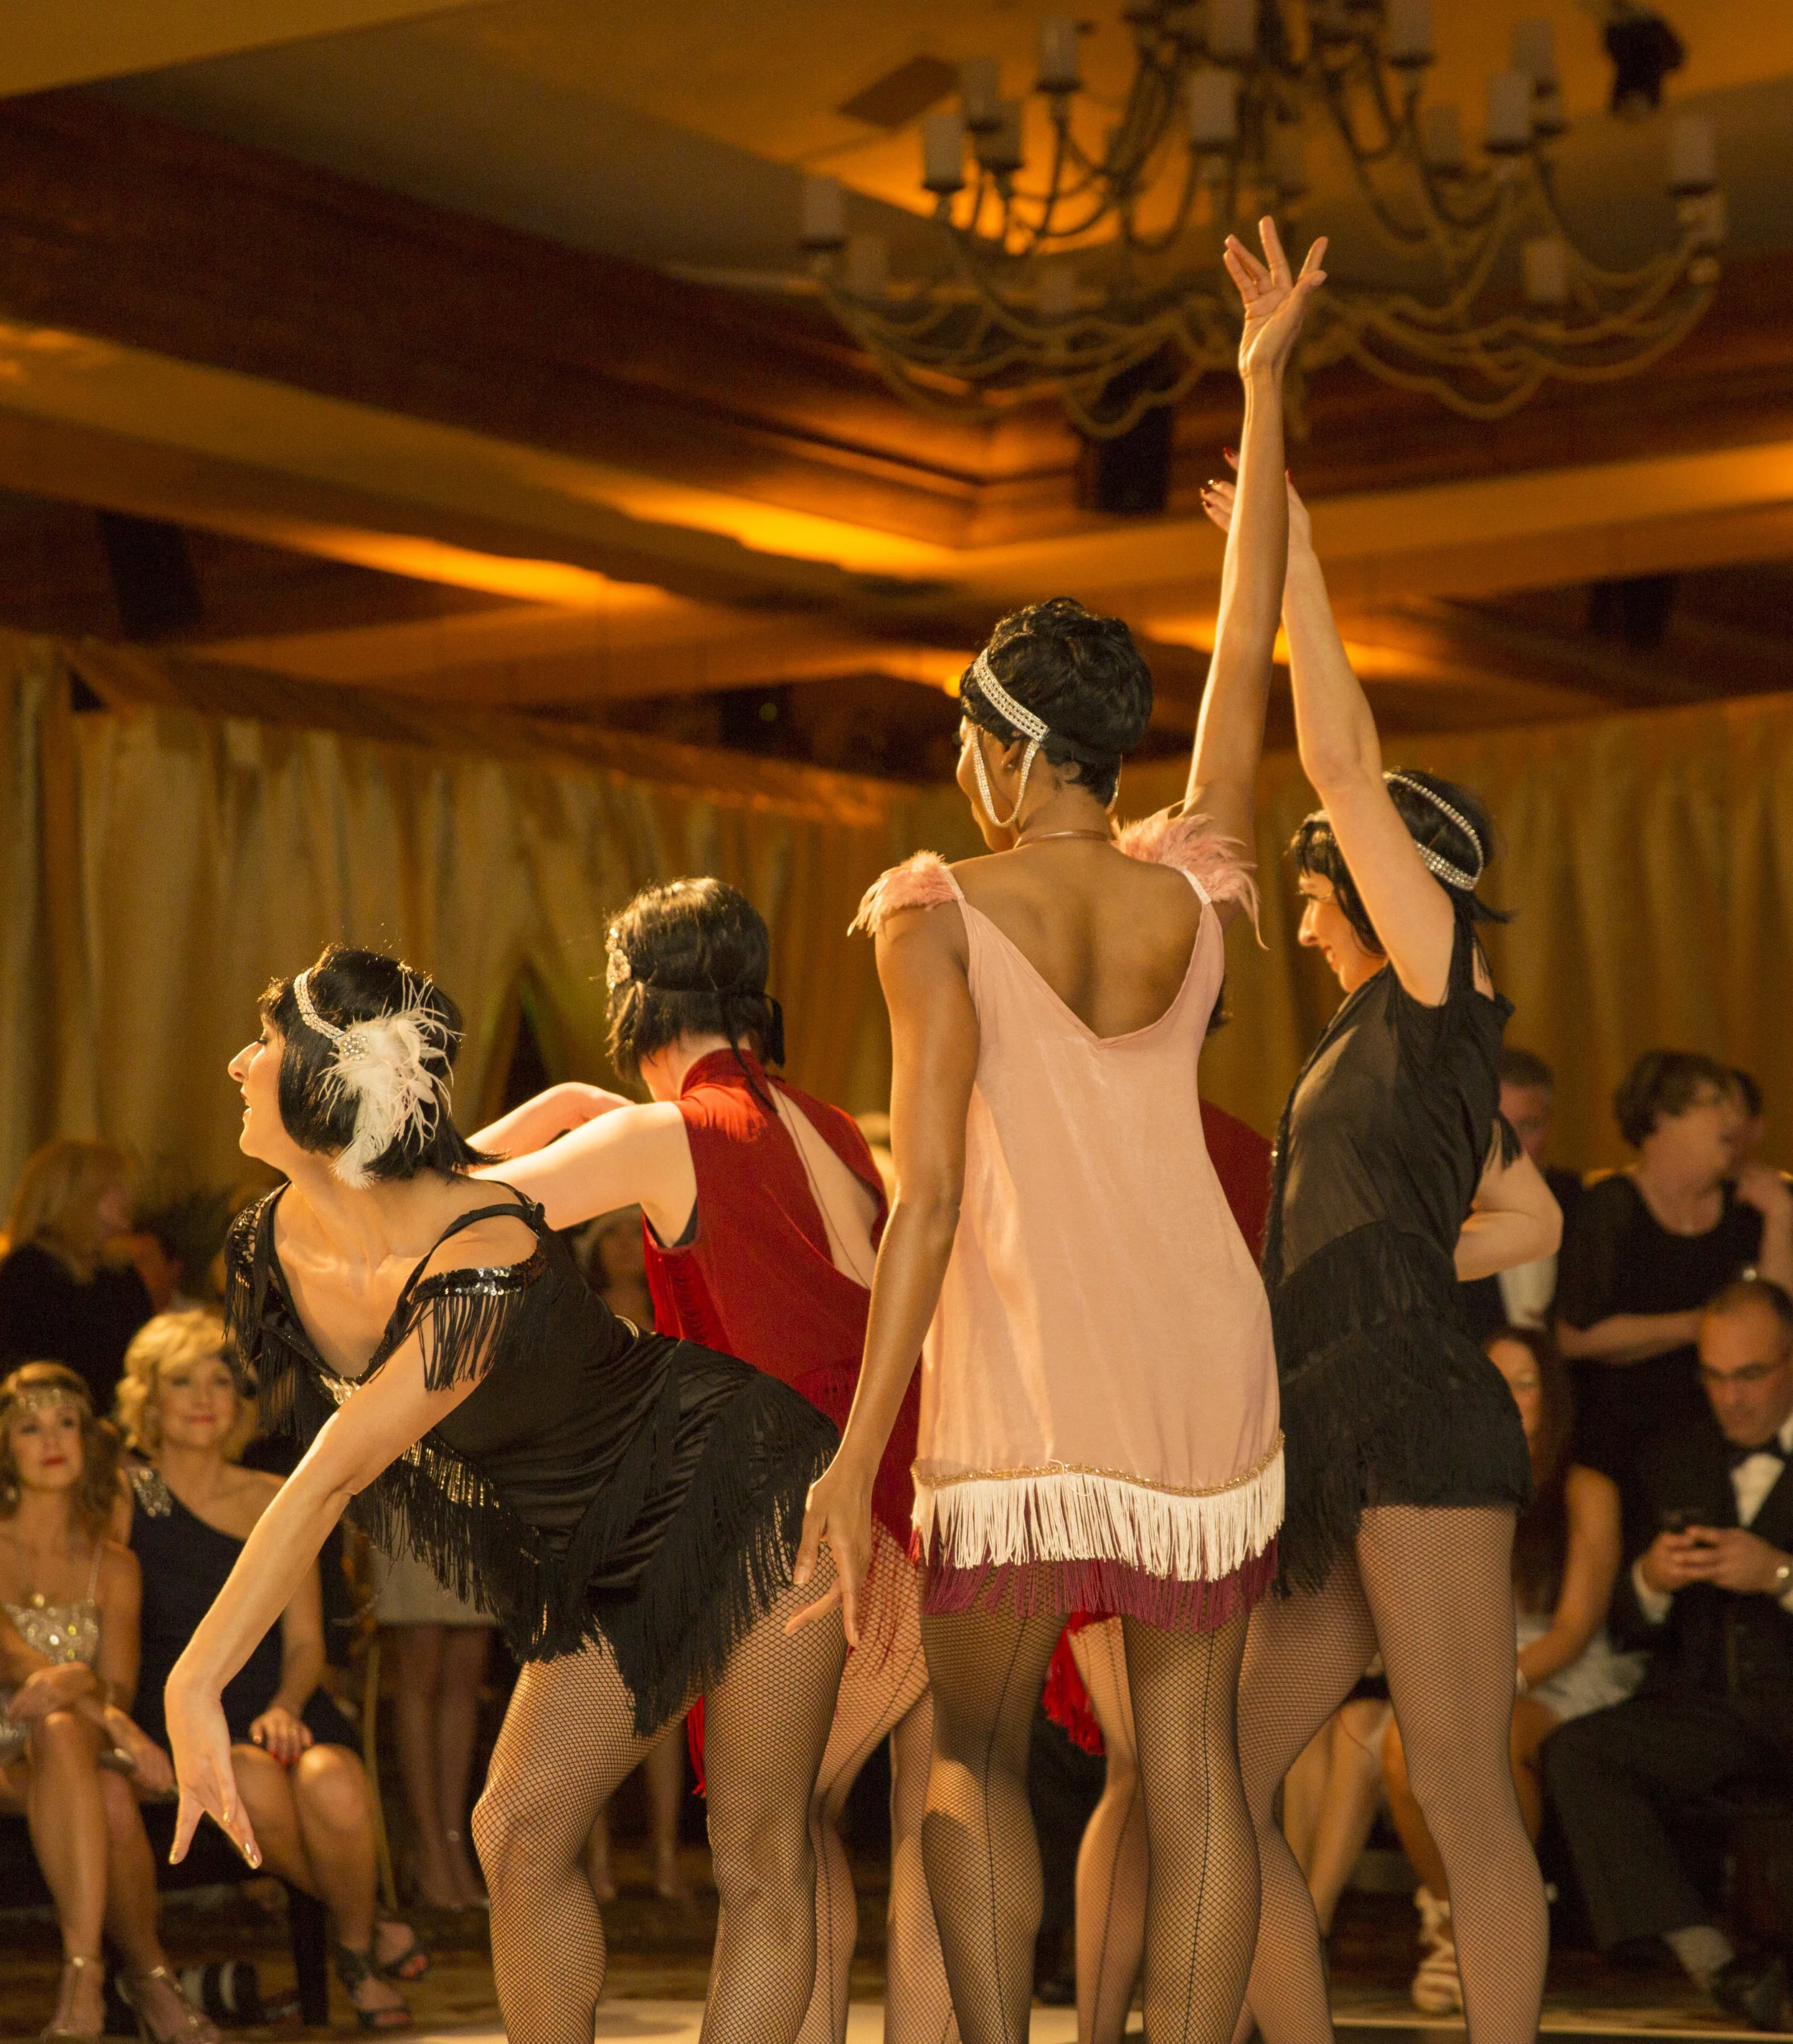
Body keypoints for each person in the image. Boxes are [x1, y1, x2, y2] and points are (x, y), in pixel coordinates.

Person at [790, 217, 1325, 2044]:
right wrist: (1264, 380)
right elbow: (1241, 643)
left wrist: (854, 1459)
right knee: (1194, 1772)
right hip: (1199, 1353)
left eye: (964, 737)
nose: (958, 769)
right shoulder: (1198, 882)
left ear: (1010, 750)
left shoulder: (931, 906)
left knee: (970, 1751)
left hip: (1021, 1367)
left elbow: (926, 1201)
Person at [159, 945, 847, 2044]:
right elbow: (565, 1105)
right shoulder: (284, 1236)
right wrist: (552, 1121)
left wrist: (197, 1678)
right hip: (600, 1539)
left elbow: (336, 1465)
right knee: (518, 1829)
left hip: (750, 1479)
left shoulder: (484, 1255)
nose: (241, 1062)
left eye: (266, 1040)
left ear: (329, 1084)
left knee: (760, 1844)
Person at [1196, 469, 1562, 2044]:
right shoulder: (1380, 1045)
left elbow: (1336, 749)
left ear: (1378, 878)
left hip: (1410, 1415)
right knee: (1213, 1775)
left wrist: (1288, 552)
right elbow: (1534, 1221)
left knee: (1463, 1785)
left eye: (1317, 859)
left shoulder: (1433, 984)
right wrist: (1414, 1245)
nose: (1296, 879)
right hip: (1330, 1428)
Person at [465, 881, 947, 2044]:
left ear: (632, 1005)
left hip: (735, 1514)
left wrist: (540, 1118)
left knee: (532, 1830)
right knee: (771, 1857)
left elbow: (425, 1220)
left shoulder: (668, 1132)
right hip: (860, 1516)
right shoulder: (827, 1128)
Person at [114, 1310, 426, 2028]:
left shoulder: (272, 1496)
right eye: (180, 1381)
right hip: (190, 1717)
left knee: (336, 1786)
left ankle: (350, 1945)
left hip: (285, 1703)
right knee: (252, 1777)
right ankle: (370, 1932)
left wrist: (288, 1704)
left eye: (220, 1381)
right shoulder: (134, 1497)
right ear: (147, 1400)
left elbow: (308, 1642)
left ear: (240, 1401)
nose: (201, 1397)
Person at [1543, 1278, 1793, 2033]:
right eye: (1714, 1376)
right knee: (1576, 1754)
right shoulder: (1675, 1455)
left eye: (1749, 1375)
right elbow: (1626, 1624)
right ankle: (1715, 1964)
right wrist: (1650, 1580)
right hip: (1708, 1708)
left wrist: (1780, 1576)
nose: (1731, 1398)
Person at [1383, 1327, 1640, 2015]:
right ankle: (1453, 1923)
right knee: (1402, 1745)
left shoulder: (1587, 1491)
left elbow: (1574, 1631)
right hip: (1471, 1664)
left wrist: (1498, 1685)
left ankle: (1504, 1929)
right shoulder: (1449, 1487)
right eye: (1496, 1382)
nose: (1512, 1398)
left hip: (1557, 1671)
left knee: (1490, 1742)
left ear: (1551, 1396)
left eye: (1526, 1382)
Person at [0, 1362, 220, 2044]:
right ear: (5, 1448)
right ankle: (152, 1978)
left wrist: (97, 1702)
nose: (51, 1441)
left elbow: (117, 1681)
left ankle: (84, 1972)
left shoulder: (115, 1564)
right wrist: (115, 1718)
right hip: (5, 1741)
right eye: (29, 1429)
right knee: (80, 1748)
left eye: (66, 1424)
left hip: (75, 1746)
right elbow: (13, 1662)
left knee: (79, 1749)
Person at [1556, 1052, 1793, 1526]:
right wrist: (1694, 1327)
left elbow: (1778, 1325)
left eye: (1732, 1105)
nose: (1732, 1119)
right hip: (1624, 1438)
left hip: (1723, 1439)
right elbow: (1574, 1336)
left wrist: (1782, 1220)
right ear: (1661, 1119)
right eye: (1713, 1103)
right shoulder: (1611, 1207)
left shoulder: (1749, 1205)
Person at [566, 1211, 688, 1908]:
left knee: (665, 1695)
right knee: (594, 1696)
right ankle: (599, 1857)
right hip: (595, 1508)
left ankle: (669, 1854)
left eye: (627, 1232)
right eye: (606, 1234)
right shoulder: (581, 1316)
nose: (618, 1246)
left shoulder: (677, 1305)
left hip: (670, 1505)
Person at [0, 1142, 153, 1411]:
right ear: (80, 1195)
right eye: (115, 1187)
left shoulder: (119, 1274)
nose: (129, 1197)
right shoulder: (26, 1276)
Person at [1460, 1049, 1584, 1340]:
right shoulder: (1439, 1214)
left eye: (1527, 1126)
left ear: (1549, 1125)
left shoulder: (1580, 1201)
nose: (1510, 1145)